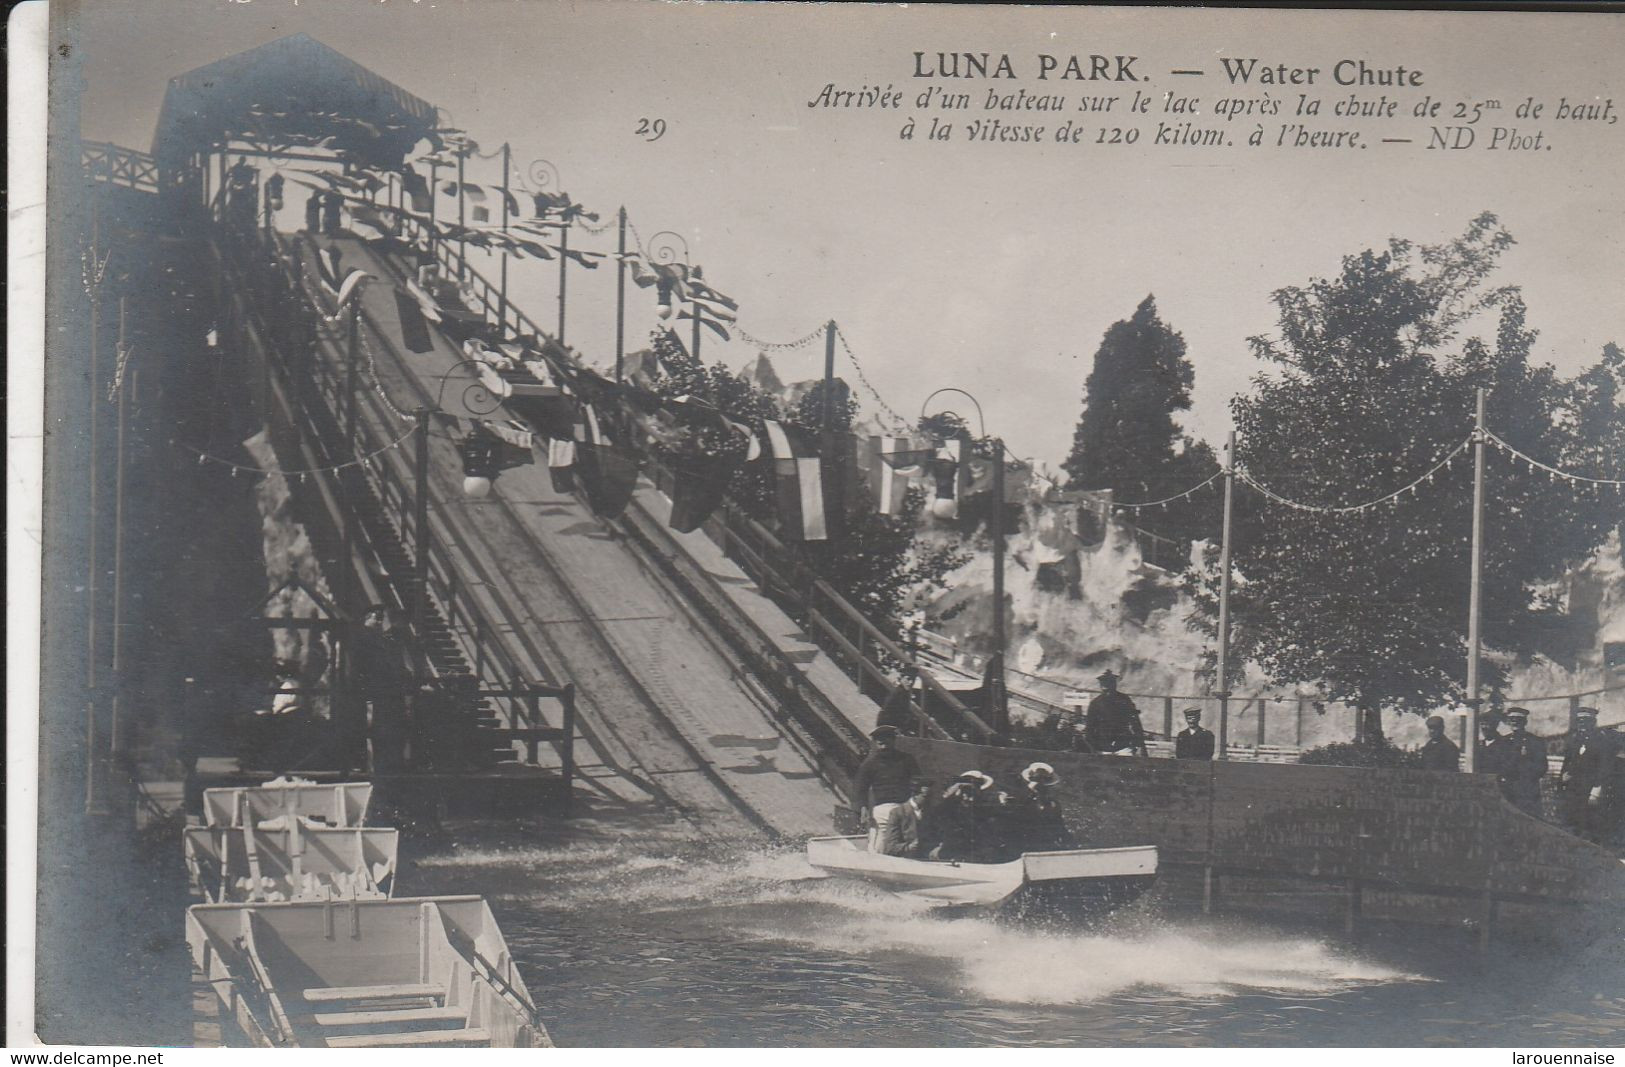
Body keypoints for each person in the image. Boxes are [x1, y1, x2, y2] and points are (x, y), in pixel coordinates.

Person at [852, 725, 921, 850]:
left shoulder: (907, 760)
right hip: (883, 809)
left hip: (904, 807)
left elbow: (918, 781)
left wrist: (914, 804)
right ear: (876, 744)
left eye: (887, 743)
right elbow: (860, 788)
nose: (884, 747)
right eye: (880, 744)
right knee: (880, 845)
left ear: (894, 741)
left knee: (908, 843)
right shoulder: (870, 764)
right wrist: (863, 808)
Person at [1558, 707, 1614, 838]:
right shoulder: (1574, 740)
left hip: (1590, 789)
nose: (1582, 724)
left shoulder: (1602, 742)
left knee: (1589, 823)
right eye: (1580, 721)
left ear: (1593, 722)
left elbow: (1605, 767)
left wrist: (1597, 788)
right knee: (1571, 822)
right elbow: (1567, 763)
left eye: (1586, 721)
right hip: (1573, 788)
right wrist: (1562, 779)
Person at [1002, 762, 1071, 856]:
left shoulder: (1052, 802)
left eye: (1043, 781)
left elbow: (1058, 824)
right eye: (1037, 780)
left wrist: (1069, 842)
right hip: (1024, 841)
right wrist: (1029, 789)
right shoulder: (1018, 797)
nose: (1040, 784)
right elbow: (1013, 810)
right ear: (1030, 780)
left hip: (1046, 843)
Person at [930, 771, 998, 861]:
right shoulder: (948, 810)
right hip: (948, 857)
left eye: (975, 794)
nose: (971, 799)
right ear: (961, 793)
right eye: (968, 794)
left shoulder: (978, 813)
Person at [1497, 707, 1548, 819]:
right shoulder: (1503, 742)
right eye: (1512, 719)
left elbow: (1542, 767)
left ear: (1525, 722)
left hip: (1527, 791)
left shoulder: (1535, 741)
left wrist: (1525, 763)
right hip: (1507, 789)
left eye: (1518, 720)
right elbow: (1499, 765)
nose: (1515, 722)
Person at [1084, 670, 1147, 755]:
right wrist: (1094, 748)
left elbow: (1135, 723)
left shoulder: (1124, 700)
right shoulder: (1095, 703)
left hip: (1124, 746)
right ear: (1101, 685)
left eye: (1110, 682)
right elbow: (1089, 729)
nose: (1106, 685)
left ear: (1114, 684)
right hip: (1103, 748)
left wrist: (1139, 745)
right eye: (1104, 682)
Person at [877, 779, 933, 857]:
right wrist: (908, 847)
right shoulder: (898, 813)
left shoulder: (930, 813)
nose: (929, 800)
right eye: (926, 796)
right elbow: (889, 847)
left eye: (931, 796)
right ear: (914, 795)